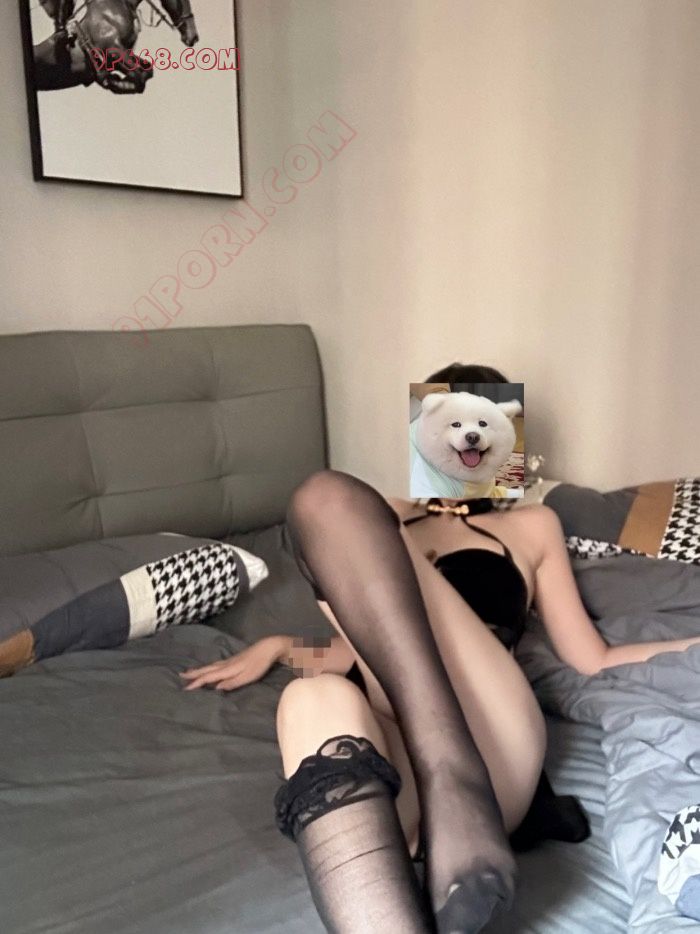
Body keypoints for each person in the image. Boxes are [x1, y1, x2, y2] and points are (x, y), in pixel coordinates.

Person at [181, 364, 700, 933]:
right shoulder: (388, 519)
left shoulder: (532, 525)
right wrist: (284, 647)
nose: (467, 439)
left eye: (485, 424)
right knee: (310, 699)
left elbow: (592, 659)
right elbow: (366, 649)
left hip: (488, 737)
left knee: (329, 498)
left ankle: (453, 777)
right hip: (392, 756)